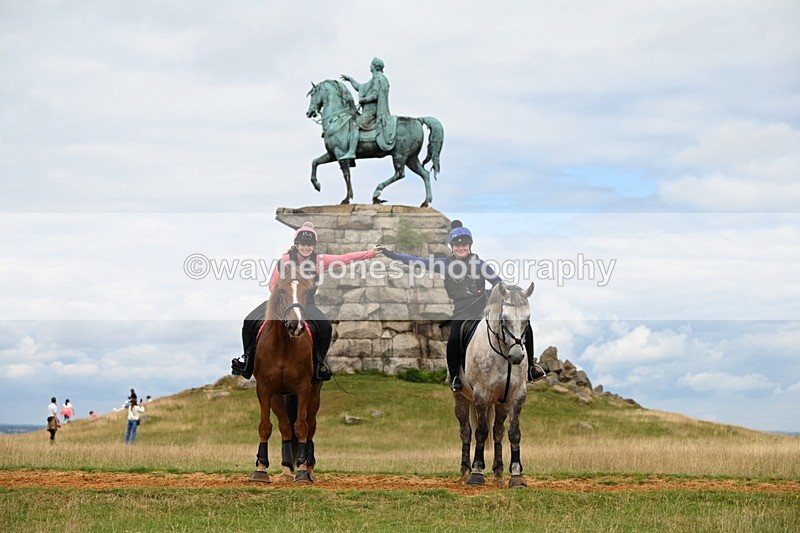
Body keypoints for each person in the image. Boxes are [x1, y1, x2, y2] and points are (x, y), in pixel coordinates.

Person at [378, 220, 545, 391]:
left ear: (469, 246)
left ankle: (530, 369)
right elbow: (416, 261)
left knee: (524, 326)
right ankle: (455, 376)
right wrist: (391, 255)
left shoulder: (479, 264)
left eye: (464, 245)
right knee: (454, 338)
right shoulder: (444, 264)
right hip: (462, 311)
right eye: (457, 246)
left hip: (483, 309)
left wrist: (511, 294)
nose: (461, 248)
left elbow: (498, 283)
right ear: (452, 247)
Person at [232, 221, 380, 381]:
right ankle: (248, 362)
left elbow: (344, 258)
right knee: (249, 321)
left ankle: (318, 365)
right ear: (296, 245)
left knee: (325, 328)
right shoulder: (285, 260)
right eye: (302, 244)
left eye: (309, 245)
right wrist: (283, 298)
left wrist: (370, 254)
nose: (306, 248)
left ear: (314, 246)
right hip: (281, 302)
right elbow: (272, 284)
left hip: (306, 305)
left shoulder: (319, 261)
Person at [340, 57, 397, 158]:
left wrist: (363, 100)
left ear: (374, 66)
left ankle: (352, 152)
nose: (370, 66)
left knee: (355, 125)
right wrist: (350, 80)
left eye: (371, 65)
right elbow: (360, 87)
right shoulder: (375, 79)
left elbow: (375, 95)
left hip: (372, 112)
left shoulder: (378, 79)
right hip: (369, 111)